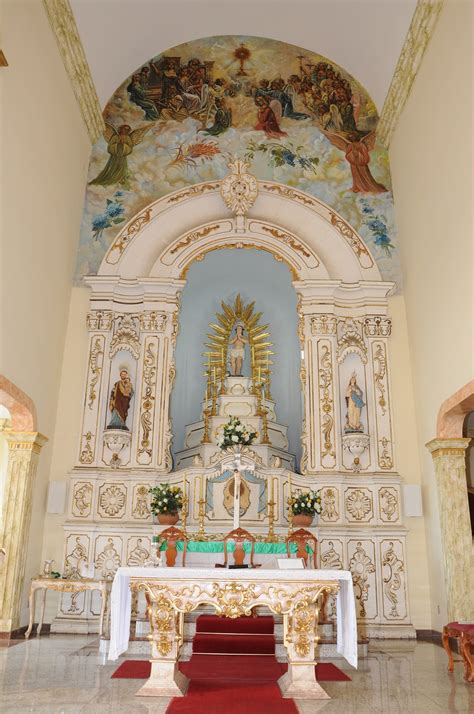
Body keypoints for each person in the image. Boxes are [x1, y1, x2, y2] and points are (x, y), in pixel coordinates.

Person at [89, 123, 149, 188]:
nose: (125, 131)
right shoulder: (115, 137)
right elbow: (110, 147)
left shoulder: (128, 138)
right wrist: (117, 145)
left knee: (121, 168)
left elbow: (130, 148)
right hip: (114, 156)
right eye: (124, 129)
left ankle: (120, 179)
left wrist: (124, 145)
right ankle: (109, 178)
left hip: (122, 157)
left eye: (127, 130)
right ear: (120, 129)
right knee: (112, 168)